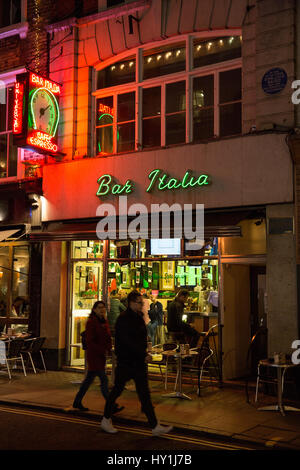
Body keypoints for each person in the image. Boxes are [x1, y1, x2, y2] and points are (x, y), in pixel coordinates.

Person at [100, 290, 173, 437]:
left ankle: (154, 425)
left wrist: (145, 351)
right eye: (139, 302)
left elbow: (140, 338)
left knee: (144, 394)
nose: (142, 305)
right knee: (117, 391)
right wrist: (143, 354)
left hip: (137, 362)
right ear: (132, 303)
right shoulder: (124, 318)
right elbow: (127, 342)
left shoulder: (138, 317)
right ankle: (106, 419)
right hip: (127, 362)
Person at [73, 300, 123, 414]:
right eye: (99, 307)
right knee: (104, 381)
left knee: (88, 381)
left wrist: (109, 348)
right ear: (94, 309)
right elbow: (90, 341)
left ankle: (77, 401)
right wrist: (102, 350)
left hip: (101, 356)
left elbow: (107, 336)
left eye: (103, 307)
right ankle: (111, 405)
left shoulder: (103, 321)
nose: (102, 309)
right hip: (94, 355)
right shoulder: (92, 322)